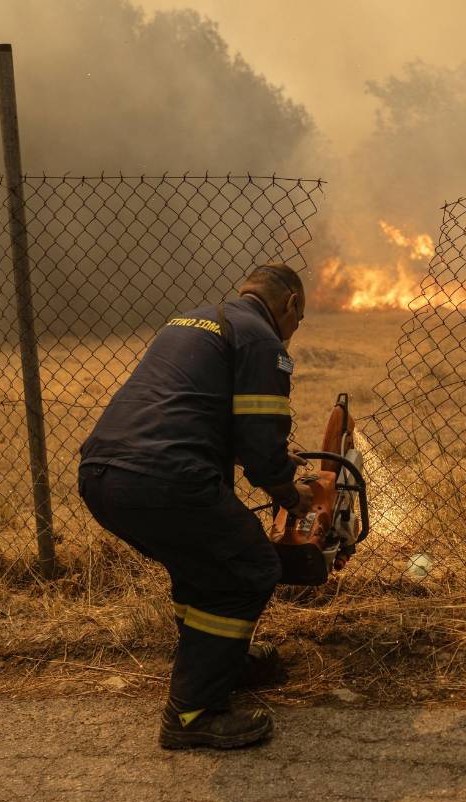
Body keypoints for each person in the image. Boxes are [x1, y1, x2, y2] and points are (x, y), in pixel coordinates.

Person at [77, 263, 312, 750]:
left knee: (203, 565)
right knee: (249, 568)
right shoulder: (262, 339)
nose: (292, 332)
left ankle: (221, 662)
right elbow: (260, 444)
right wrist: (291, 494)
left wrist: (256, 452)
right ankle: (193, 714)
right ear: (290, 304)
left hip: (104, 474)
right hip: (163, 479)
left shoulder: (191, 320)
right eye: (299, 320)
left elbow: (191, 411)